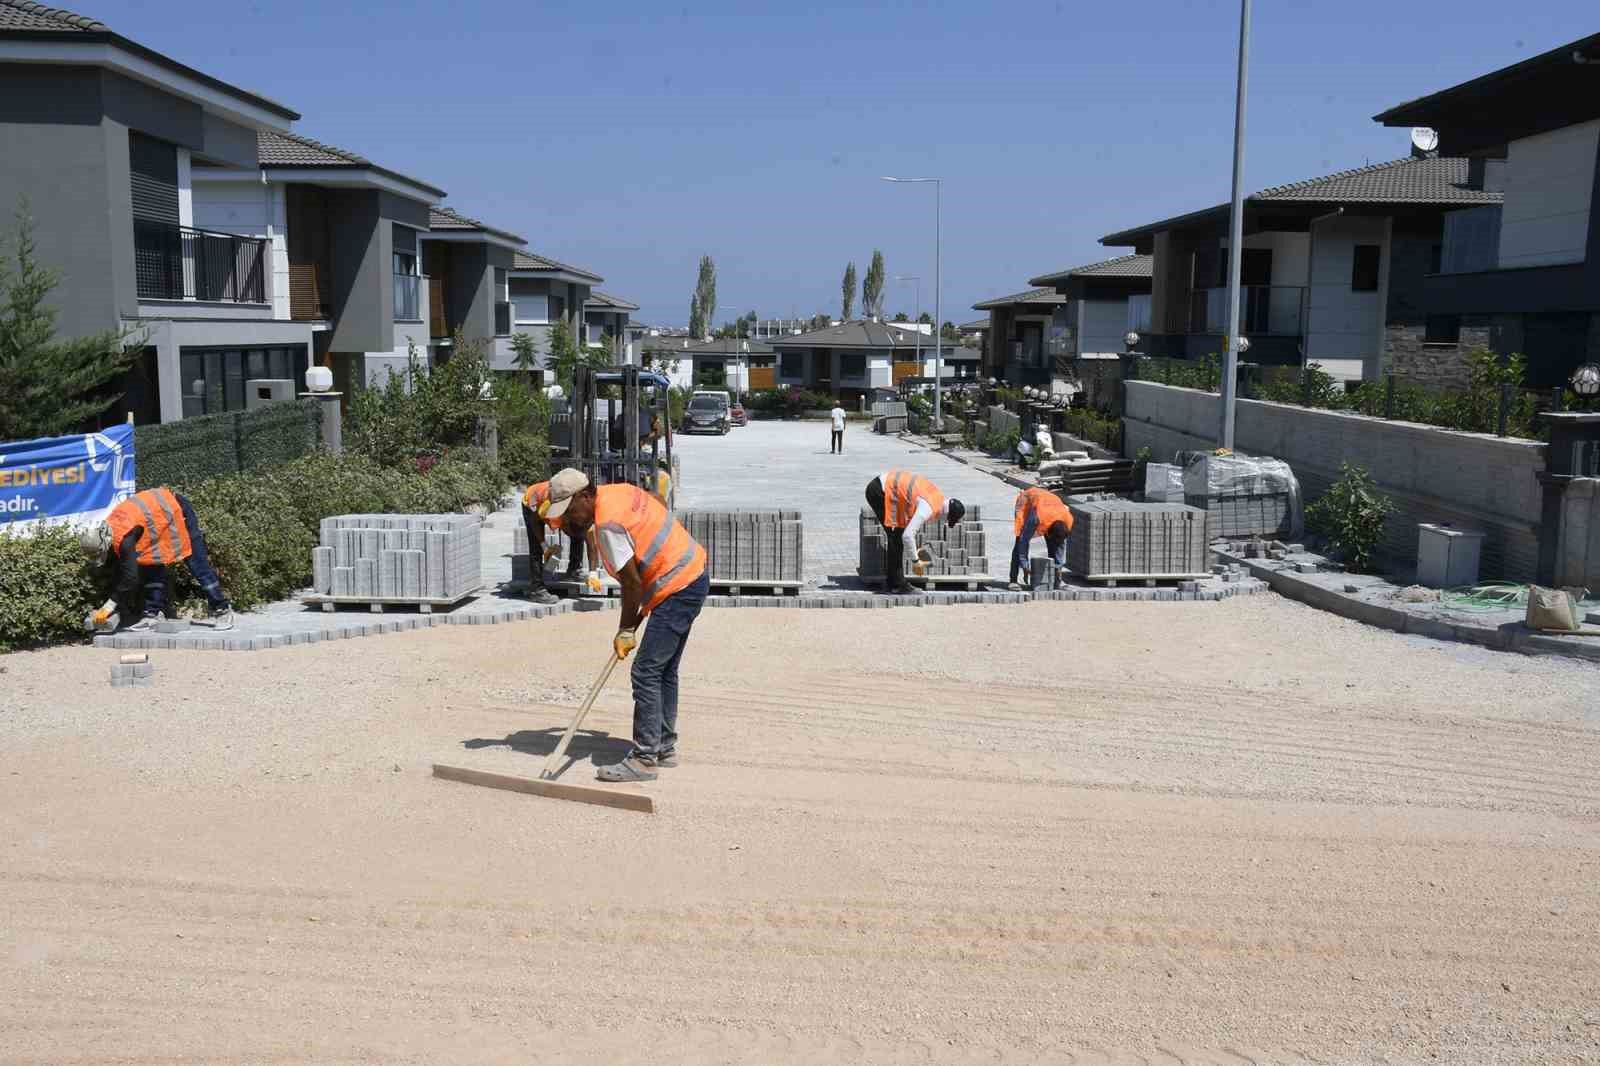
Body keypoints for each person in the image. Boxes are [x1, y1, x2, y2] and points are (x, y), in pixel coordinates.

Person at [545, 468, 709, 784]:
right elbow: (657, 503)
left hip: (676, 584)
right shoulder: (617, 491)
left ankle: (645, 758)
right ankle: (663, 746)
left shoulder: (607, 524)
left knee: (645, 671)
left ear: (583, 496)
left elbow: (632, 583)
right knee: (663, 670)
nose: (569, 521)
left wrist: (625, 629)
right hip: (691, 572)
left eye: (569, 512)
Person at [80, 486, 233, 633]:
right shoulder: (110, 528)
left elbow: (130, 578)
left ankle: (222, 609)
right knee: (150, 563)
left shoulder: (124, 540)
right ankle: (152, 614)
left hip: (177, 511)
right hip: (160, 518)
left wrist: (109, 606)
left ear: (104, 543)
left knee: (196, 563)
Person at [864, 470, 965, 595]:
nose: (945, 521)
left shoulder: (938, 498)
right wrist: (916, 561)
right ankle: (897, 584)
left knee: (896, 536)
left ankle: (893, 583)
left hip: (886, 487)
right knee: (896, 538)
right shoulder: (929, 507)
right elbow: (908, 536)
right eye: (949, 520)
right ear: (948, 514)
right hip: (880, 491)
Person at [1010, 486, 1074, 591]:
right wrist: (1025, 566)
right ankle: (1013, 580)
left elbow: (1061, 546)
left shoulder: (1067, 521)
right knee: (1019, 540)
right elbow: (1023, 540)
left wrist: (1059, 566)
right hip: (1027, 501)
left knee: (1054, 546)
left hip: (1048, 504)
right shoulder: (1036, 518)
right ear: (1048, 532)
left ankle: (1057, 580)